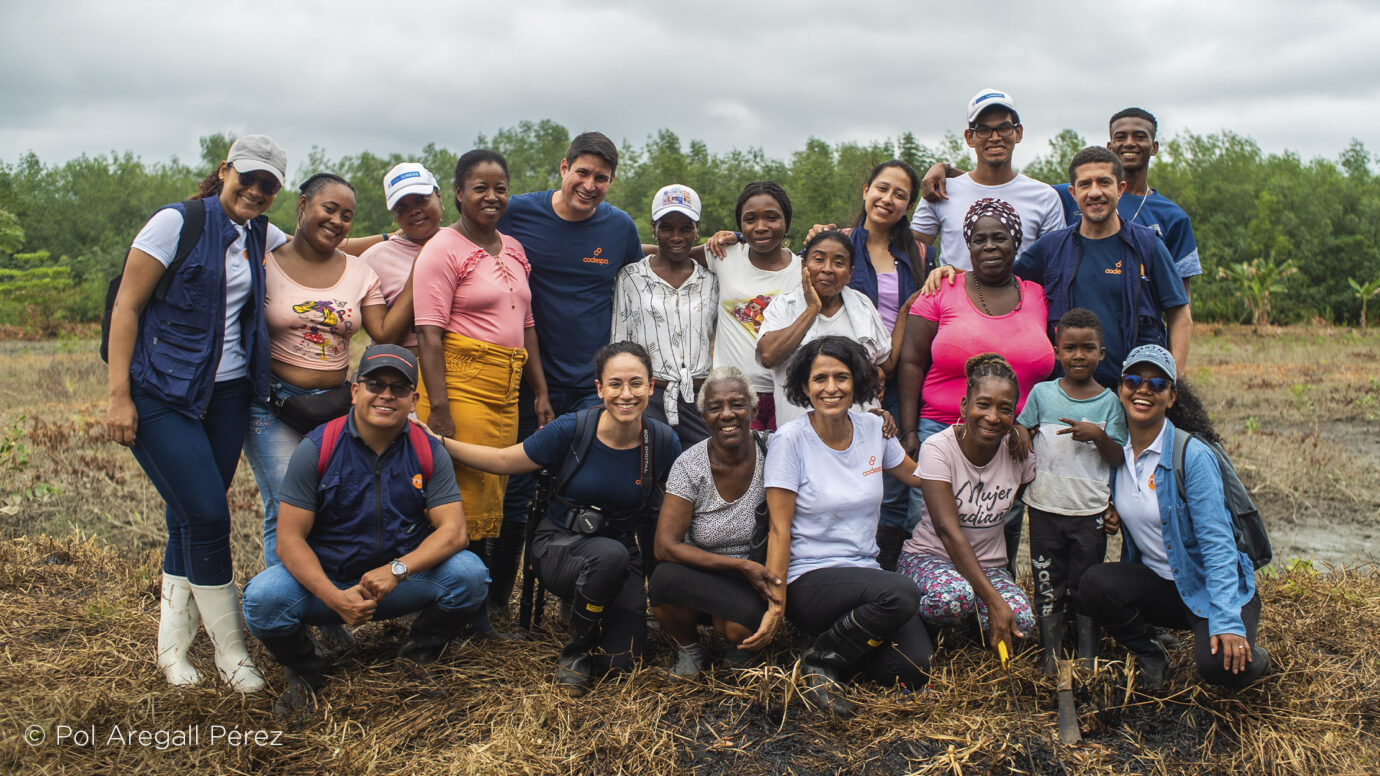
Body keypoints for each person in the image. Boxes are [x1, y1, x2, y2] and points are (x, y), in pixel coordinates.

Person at [105, 134, 290, 692]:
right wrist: (119, 396)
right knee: (209, 516)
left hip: (229, 396)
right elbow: (127, 306)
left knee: (186, 516)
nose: (255, 191)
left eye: (268, 185)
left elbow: (330, 241)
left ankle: (172, 651)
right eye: (248, 178)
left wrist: (407, 235)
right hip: (161, 393)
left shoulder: (260, 231)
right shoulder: (176, 223)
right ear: (225, 171)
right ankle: (233, 654)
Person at [241, 345, 490, 716]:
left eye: (399, 388)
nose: (386, 395)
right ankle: (305, 669)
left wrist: (398, 570)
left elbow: (454, 532)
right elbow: (288, 539)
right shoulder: (317, 447)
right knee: (262, 599)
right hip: (330, 584)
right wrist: (334, 598)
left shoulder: (426, 450)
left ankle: (418, 656)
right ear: (355, 391)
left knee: (470, 575)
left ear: (413, 399)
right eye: (375, 384)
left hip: (398, 583)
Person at [433, 342, 682, 696]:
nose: (625, 394)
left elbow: (684, 495)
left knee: (623, 663)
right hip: (560, 546)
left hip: (622, 555)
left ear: (651, 387)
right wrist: (440, 444)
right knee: (608, 556)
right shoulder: (573, 428)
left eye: (636, 383)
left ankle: (594, 612)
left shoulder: (661, 440)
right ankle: (576, 651)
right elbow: (505, 461)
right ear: (599, 389)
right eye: (615, 384)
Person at [495, 132, 645, 613]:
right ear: (563, 168)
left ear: (612, 182)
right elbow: (461, 236)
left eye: (601, 178)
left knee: (587, 487)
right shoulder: (518, 212)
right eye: (582, 172)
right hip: (524, 377)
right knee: (515, 488)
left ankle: (580, 590)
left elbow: (647, 273)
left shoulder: (618, 228)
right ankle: (495, 600)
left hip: (589, 384)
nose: (589, 184)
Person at [412, 150, 553, 633]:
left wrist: (539, 391)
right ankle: (464, 614)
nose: (492, 197)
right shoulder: (442, 249)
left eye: (500, 188)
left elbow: (527, 324)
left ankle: (487, 604)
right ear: (457, 192)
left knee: (501, 494)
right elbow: (429, 332)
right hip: (460, 383)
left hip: (507, 386)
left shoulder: (513, 247)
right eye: (480, 188)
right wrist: (442, 410)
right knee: (467, 502)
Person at [243, 173, 413, 568]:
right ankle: (284, 617)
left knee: (332, 504)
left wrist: (419, 277)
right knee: (286, 507)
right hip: (272, 405)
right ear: (303, 206)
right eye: (329, 209)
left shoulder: (359, 273)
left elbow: (384, 332)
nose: (338, 221)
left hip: (334, 409)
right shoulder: (265, 263)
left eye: (348, 215)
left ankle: (326, 605)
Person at [1079, 345, 1271, 690]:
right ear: (1120, 389)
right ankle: (1149, 650)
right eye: (1134, 380)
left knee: (1221, 670)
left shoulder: (1191, 455)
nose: (1143, 390)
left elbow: (1217, 543)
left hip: (1208, 587)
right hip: (1163, 588)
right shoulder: (1117, 455)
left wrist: (1227, 620)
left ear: (1171, 397)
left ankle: (1260, 657)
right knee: (1095, 583)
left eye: (1157, 385)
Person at [764, 336, 932, 718]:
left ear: (857, 381)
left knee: (912, 669)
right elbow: (779, 528)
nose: (831, 388)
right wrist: (776, 605)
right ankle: (820, 661)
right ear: (805, 387)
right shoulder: (790, 440)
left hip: (865, 577)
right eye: (819, 378)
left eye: (841, 377)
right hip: (810, 579)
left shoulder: (874, 430)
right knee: (903, 594)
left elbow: (918, 477)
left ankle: (836, 646)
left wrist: (969, 447)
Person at [897, 199, 1052, 573]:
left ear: (1017, 243)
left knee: (1001, 527)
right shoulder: (942, 289)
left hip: (1011, 435)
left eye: (999, 238)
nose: (988, 247)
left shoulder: (1036, 295)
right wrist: (910, 430)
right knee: (931, 527)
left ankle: (989, 609)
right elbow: (911, 361)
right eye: (978, 239)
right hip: (941, 430)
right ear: (967, 245)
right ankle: (926, 611)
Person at [801, 160, 931, 566]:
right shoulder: (836, 244)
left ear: (909, 205)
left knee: (890, 481)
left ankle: (886, 568)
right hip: (839, 380)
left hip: (893, 375)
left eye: (900, 195)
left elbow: (916, 309)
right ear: (865, 190)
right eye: (882, 188)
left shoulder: (917, 252)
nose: (887, 199)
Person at [1016, 147, 1192, 388]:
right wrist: (953, 274)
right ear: (1073, 192)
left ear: (1120, 189)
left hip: (1132, 391)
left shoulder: (1148, 246)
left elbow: (1180, 313)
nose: (1095, 192)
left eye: (1104, 183)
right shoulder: (1051, 247)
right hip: (1065, 394)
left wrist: (1175, 377)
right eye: (1085, 184)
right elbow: (1002, 283)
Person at [897, 354, 1037, 657]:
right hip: (931, 559)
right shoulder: (939, 448)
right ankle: (914, 627)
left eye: (1005, 409)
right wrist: (994, 601)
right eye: (983, 404)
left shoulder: (1019, 454)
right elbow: (948, 532)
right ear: (964, 406)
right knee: (952, 598)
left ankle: (974, 626)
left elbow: (1018, 498)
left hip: (989, 567)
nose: (992, 416)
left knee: (1021, 622)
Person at [1015, 308, 1127, 672]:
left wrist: (1098, 436)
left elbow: (1118, 458)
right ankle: (1050, 654)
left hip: (1089, 513)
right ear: (1057, 350)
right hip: (1045, 508)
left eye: (1088, 348)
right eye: (1070, 348)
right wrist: (1019, 437)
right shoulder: (1042, 394)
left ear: (1102, 354)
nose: (1079, 356)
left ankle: (1086, 655)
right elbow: (1023, 429)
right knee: (1048, 581)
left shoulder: (1110, 403)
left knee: (1085, 584)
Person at [649, 367, 779, 677]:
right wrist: (738, 566)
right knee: (663, 581)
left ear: (752, 408)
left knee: (736, 627)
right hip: (705, 572)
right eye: (715, 407)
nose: (727, 414)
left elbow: (816, 437)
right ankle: (690, 648)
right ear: (704, 416)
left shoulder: (774, 449)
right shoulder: (690, 465)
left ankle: (737, 643)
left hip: (754, 578)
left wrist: (871, 417)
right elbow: (664, 546)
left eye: (736, 404)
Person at [1051, 108, 1202, 298]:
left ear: (1154, 147)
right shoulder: (1072, 194)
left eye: (1139, 137)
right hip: (1076, 323)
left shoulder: (1173, 217)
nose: (1129, 143)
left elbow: (1181, 299)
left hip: (1140, 325)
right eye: (1120, 137)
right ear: (1110, 146)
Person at [611, 184, 718, 446]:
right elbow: (618, 343)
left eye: (686, 228)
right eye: (667, 227)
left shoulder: (711, 280)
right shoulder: (631, 277)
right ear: (653, 228)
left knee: (701, 471)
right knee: (648, 475)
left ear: (697, 229)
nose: (676, 236)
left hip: (699, 398)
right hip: (648, 398)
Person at [909, 88, 1063, 268]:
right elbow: (912, 255)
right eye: (983, 130)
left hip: (1020, 296)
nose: (995, 137)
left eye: (1004, 128)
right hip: (953, 296)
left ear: (1018, 132)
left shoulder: (1045, 197)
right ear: (969, 137)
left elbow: (1055, 265)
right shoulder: (941, 192)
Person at [757, 230, 893, 428]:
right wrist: (812, 309)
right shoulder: (784, 306)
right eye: (818, 259)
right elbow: (768, 356)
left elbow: (886, 363)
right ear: (803, 266)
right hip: (800, 434)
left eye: (838, 263)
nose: (827, 269)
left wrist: (906, 310)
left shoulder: (862, 306)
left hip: (859, 432)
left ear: (849, 274)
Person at [700, 182, 803, 431]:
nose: (760, 227)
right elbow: (671, 254)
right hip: (734, 396)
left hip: (788, 395)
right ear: (740, 225)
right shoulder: (723, 255)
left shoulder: (804, 270)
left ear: (786, 222)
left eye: (771, 217)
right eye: (750, 219)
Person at [359, 162, 446, 353]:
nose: (413, 210)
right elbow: (384, 338)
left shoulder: (465, 245)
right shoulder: (374, 260)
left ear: (438, 196)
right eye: (401, 206)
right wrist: (420, 273)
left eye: (421, 199)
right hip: (406, 375)